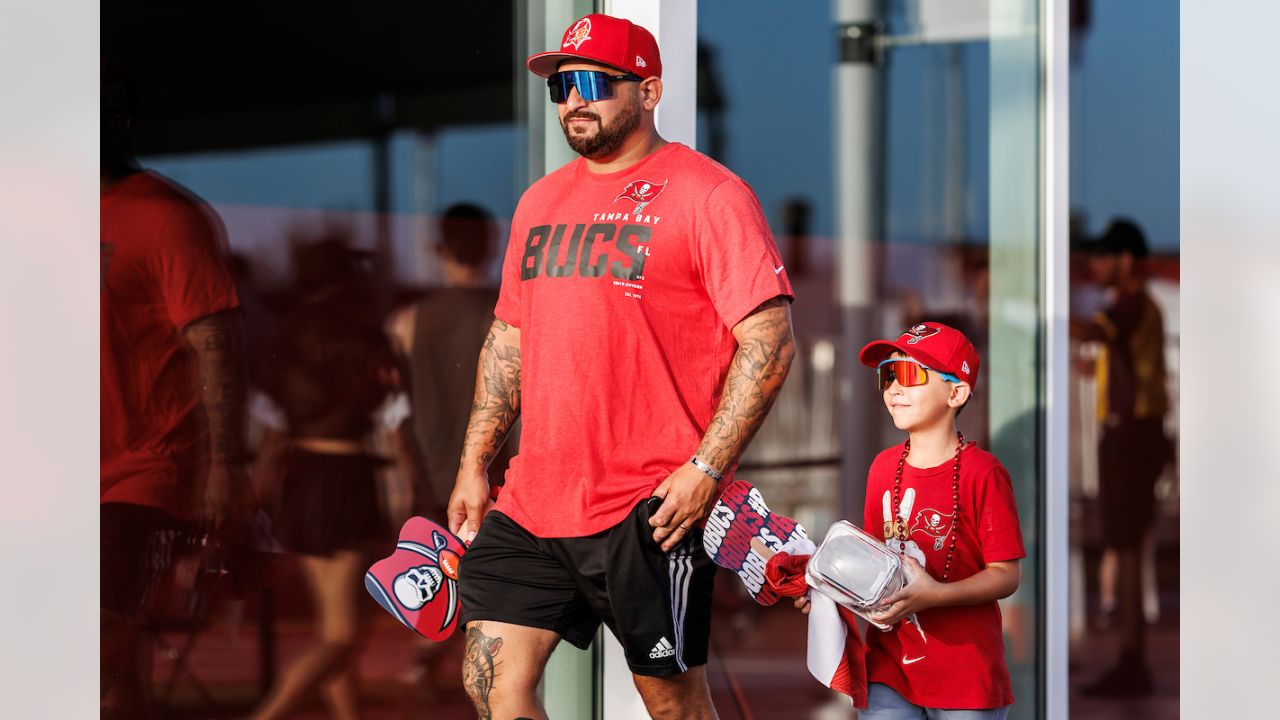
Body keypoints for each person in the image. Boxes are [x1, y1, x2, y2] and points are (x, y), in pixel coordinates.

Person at [447, 13, 796, 720]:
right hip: (532, 503)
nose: (573, 99)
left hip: (649, 510)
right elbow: (509, 339)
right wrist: (472, 465)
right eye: (561, 86)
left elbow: (771, 341)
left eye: (592, 83)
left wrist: (706, 472)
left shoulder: (710, 196)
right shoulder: (539, 203)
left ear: (649, 90)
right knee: (490, 684)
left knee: (672, 707)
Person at [101, 60, 251, 720]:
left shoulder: (165, 217)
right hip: (47, 480)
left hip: (142, 477)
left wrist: (224, 467)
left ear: (120, 117)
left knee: (84, 654)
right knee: (114, 670)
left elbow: (216, 352)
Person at [248, 237, 422, 720]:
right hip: (347, 483)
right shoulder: (367, 340)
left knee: (331, 629)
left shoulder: (290, 338)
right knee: (342, 637)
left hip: (302, 481)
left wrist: (257, 489)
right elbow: (397, 427)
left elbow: (271, 430)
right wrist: (415, 492)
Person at [854, 321, 1025, 719]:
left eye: (911, 374)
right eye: (888, 374)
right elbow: (870, 563)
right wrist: (824, 589)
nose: (894, 388)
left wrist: (934, 595)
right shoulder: (882, 468)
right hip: (889, 667)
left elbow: (1006, 574)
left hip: (966, 678)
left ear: (956, 392)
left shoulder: (983, 472)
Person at [1072, 218, 1171, 696]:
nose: (1095, 266)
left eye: (1103, 256)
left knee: (1127, 546)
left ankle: (1133, 660)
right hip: (1134, 435)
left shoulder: (1132, 305)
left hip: (1132, 436)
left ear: (1125, 260)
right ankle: (1131, 657)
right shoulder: (1135, 308)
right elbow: (1116, 356)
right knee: (1127, 545)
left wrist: (1042, 311)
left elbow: (1095, 331)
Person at [386, 202, 511, 520]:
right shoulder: (511, 317)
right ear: (491, 244)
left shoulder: (407, 323)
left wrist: (405, 483)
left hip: (428, 485)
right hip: (495, 486)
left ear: (439, 248)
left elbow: (393, 415)